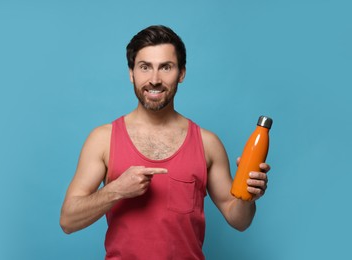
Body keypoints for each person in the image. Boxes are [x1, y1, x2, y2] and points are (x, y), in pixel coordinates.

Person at [60, 25, 271, 259]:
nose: (154, 79)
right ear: (131, 73)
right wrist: (116, 190)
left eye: (166, 67)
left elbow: (238, 220)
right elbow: (68, 221)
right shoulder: (102, 139)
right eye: (144, 67)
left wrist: (248, 197)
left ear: (181, 73)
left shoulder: (207, 143)